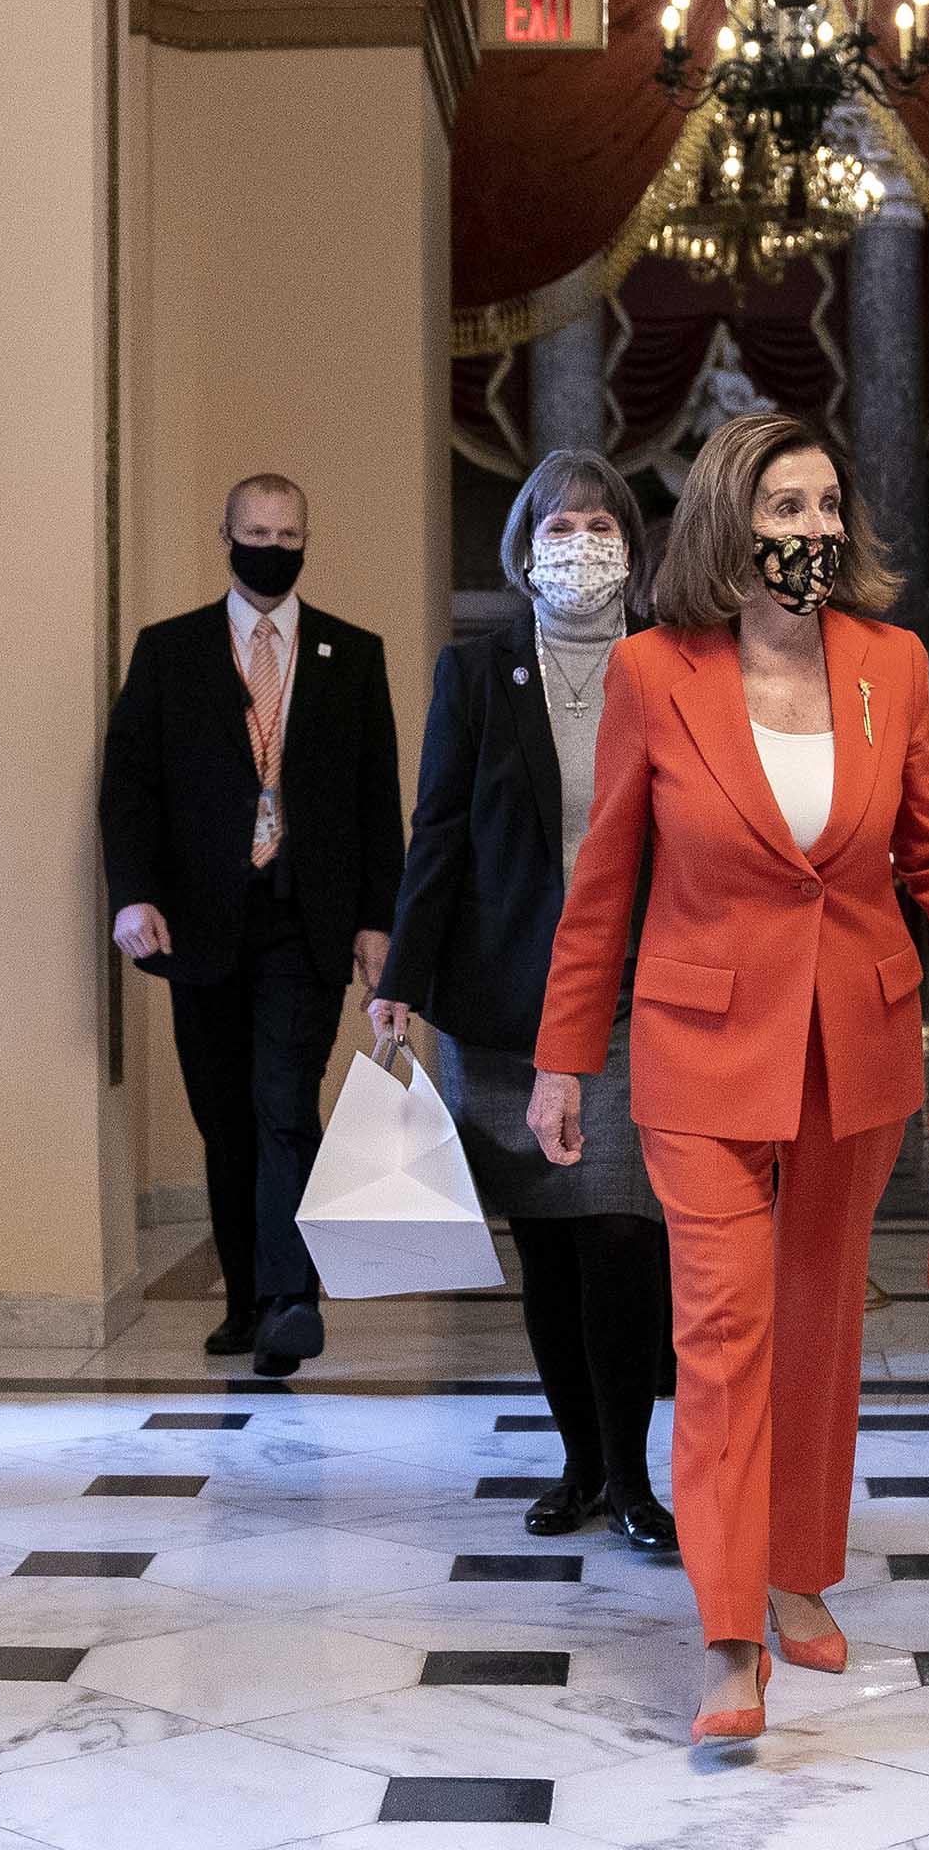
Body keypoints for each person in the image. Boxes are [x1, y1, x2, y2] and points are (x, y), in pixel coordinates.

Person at [527, 410, 929, 1743]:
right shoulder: (653, 671)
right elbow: (606, 884)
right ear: (727, 522)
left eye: (824, 506)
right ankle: (726, 1632)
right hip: (697, 1055)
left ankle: (798, 1573)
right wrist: (566, 1055)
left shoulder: (892, 663)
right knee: (724, 1333)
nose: (808, 529)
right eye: (781, 505)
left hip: (853, 1054)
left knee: (817, 1335)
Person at [368, 450, 676, 1554]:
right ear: (524, 545)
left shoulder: (671, 667)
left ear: (633, 549)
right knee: (547, 1244)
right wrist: (401, 977)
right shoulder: (477, 670)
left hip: (640, 998)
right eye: (559, 525)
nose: (580, 541)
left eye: (600, 523)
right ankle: (582, 1462)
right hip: (505, 997)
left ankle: (639, 1474)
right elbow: (438, 832)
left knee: (623, 1230)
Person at [101, 474, 402, 1378]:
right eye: (257, 529)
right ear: (224, 534)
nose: (273, 544)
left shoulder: (352, 654)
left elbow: (375, 801)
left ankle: (288, 1301)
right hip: (199, 923)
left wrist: (378, 922)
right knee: (225, 1119)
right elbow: (130, 787)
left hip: (304, 924)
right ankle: (244, 1301)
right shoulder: (170, 651)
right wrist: (132, 893)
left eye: (289, 531)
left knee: (283, 1103)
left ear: (308, 539)